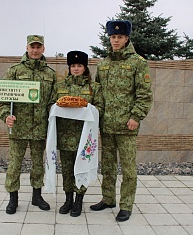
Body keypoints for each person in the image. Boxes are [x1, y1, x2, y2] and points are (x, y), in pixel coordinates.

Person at [89, 20, 153, 222]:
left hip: (127, 126)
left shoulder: (138, 63)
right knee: (107, 166)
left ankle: (126, 205)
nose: (116, 40)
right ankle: (108, 198)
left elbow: (144, 94)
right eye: (113, 37)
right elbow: (97, 94)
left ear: (127, 38)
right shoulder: (103, 64)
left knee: (128, 168)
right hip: (106, 126)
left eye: (120, 37)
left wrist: (136, 116)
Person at [0, 35, 57, 214]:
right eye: (33, 47)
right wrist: (6, 115)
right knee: (15, 164)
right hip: (19, 128)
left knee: (38, 163)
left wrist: (52, 124)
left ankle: (37, 196)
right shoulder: (15, 71)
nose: (35, 50)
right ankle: (13, 198)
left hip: (40, 128)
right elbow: (3, 99)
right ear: (27, 47)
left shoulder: (50, 74)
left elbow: (53, 102)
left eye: (39, 47)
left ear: (43, 49)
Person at [50, 51, 104, 217]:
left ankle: (79, 200)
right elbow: (51, 106)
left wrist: (87, 109)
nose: (76, 68)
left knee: (82, 168)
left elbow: (100, 109)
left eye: (79, 65)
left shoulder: (94, 88)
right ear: (69, 67)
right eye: (73, 66)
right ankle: (68, 199)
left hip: (84, 138)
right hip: (65, 135)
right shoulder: (60, 87)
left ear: (85, 67)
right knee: (67, 169)